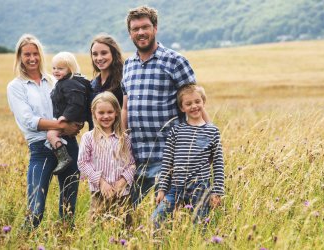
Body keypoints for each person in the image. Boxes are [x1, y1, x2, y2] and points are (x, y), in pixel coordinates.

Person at [122, 5, 209, 207]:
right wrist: (122, 143)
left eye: (145, 27)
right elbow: (125, 108)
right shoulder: (128, 65)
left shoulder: (175, 61)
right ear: (130, 33)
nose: (141, 32)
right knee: (130, 217)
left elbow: (195, 104)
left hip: (168, 157)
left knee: (163, 220)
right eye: (135, 29)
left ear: (155, 28)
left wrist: (208, 140)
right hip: (136, 158)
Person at [6, 34, 81, 228]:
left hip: (68, 145)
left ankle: (65, 243)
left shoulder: (55, 80)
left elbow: (72, 103)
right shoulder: (16, 86)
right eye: (27, 54)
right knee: (35, 211)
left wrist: (77, 122)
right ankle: (19, 241)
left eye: (35, 54)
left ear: (41, 55)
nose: (32, 58)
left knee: (68, 211)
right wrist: (62, 126)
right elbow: (28, 121)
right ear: (19, 57)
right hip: (40, 149)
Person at [151, 84, 224, 226]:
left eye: (197, 102)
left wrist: (217, 191)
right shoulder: (176, 131)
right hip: (175, 188)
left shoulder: (212, 131)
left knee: (199, 227)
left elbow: (218, 164)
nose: (194, 106)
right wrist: (162, 188)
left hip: (201, 190)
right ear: (182, 108)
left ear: (203, 102)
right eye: (188, 104)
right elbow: (167, 162)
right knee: (155, 221)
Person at [77, 91, 136, 222]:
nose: (106, 116)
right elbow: (83, 162)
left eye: (110, 112)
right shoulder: (89, 138)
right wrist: (101, 183)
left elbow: (132, 164)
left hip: (122, 194)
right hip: (99, 193)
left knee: (124, 229)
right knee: (97, 230)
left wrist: (122, 181)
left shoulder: (124, 138)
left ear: (116, 112)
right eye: (101, 113)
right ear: (94, 113)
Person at [47, 51, 92, 175]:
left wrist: (66, 116)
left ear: (70, 69)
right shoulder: (65, 82)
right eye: (54, 68)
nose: (56, 71)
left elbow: (76, 103)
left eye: (60, 68)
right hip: (73, 118)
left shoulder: (69, 83)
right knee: (60, 136)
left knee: (51, 135)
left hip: (72, 118)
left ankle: (63, 158)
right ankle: (64, 156)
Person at [90, 34, 124, 118]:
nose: (99, 58)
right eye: (95, 54)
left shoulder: (124, 81)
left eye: (104, 53)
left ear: (114, 54)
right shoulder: (92, 84)